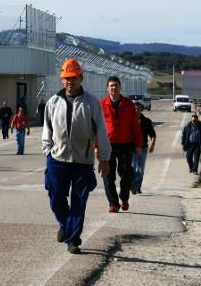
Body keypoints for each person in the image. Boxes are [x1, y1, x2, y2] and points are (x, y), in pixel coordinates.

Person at [42, 58, 111, 255]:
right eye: (66, 78)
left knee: (79, 202)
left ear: (81, 78)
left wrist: (104, 158)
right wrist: (48, 152)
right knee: (56, 198)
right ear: (61, 79)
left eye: (73, 78)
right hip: (57, 160)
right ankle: (65, 224)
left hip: (83, 161)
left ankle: (73, 240)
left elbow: (102, 133)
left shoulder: (91, 103)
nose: (69, 82)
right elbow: (47, 130)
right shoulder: (53, 103)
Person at [100, 77, 143, 213]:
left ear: (120, 87)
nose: (114, 88)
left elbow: (135, 125)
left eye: (116, 85)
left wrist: (138, 144)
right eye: (111, 86)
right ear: (107, 88)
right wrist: (96, 146)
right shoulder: (101, 104)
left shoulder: (128, 105)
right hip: (107, 145)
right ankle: (113, 203)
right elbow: (97, 127)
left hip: (125, 144)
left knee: (127, 173)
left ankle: (124, 198)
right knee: (108, 175)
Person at [131, 102, 156, 195]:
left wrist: (152, 145)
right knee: (132, 168)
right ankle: (134, 186)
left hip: (143, 148)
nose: (136, 110)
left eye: (138, 108)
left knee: (140, 170)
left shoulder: (146, 121)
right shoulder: (129, 120)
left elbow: (152, 134)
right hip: (131, 148)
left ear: (142, 109)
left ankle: (137, 187)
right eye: (135, 108)